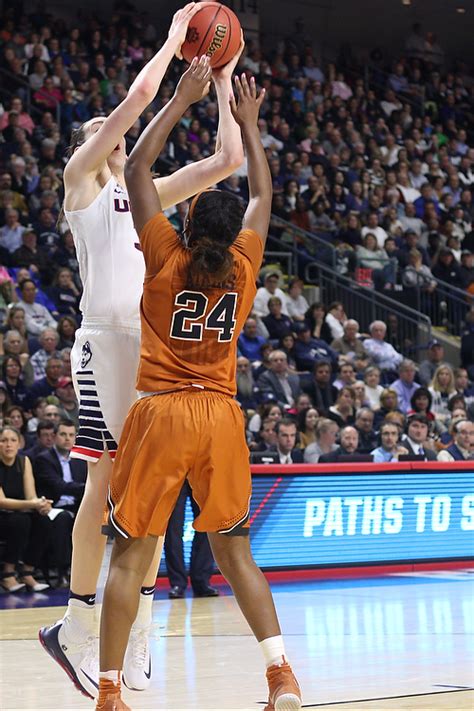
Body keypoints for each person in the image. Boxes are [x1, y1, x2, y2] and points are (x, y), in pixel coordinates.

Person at [39, 6, 245, 700]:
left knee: (149, 493)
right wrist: (171, 40)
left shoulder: (148, 195)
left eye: (115, 133)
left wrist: (221, 78)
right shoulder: (81, 184)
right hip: (103, 342)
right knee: (104, 487)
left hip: (153, 349)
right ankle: (74, 623)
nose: (113, 134)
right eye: (102, 132)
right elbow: (133, 103)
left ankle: (136, 639)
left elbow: (228, 161)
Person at [96, 67, 301, 711]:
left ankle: (108, 695)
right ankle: (281, 676)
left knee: (132, 557)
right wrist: (251, 128)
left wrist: (183, 98)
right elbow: (263, 196)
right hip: (219, 415)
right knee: (236, 553)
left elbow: (135, 172)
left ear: (188, 222)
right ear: (236, 230)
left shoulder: (164, 254)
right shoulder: (243, 267)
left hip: (160, 412)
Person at [34, 418, 87, 587]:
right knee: (63, 518)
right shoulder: (44, 459)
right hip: (51, 506)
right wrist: (87, 487)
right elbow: (59, 487)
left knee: (90, 517)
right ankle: (63, 571)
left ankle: (85, 570)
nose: (67, 439)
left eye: (71, 435)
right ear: (55, 436)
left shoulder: (80, 460)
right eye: (63, 434)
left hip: (76, 505)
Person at [0, 425, 52, 593]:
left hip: (20, 512)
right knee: (20, 521)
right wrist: (33, 504)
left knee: (44, 520)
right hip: (3, 514)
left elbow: (31, 496)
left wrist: (42, 504)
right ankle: (7, 574)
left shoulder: (24, 461)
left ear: (19, 443)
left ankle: (27, 572)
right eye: (3, 441)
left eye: (13, 440)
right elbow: (2, 502)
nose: (8, 444)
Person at [164, 480, 219, 599]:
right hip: (175, 468)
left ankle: (202, 581)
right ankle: (177, 583)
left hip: (201, 468)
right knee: (173, 529)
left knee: (206, 525)